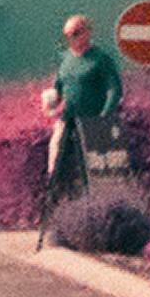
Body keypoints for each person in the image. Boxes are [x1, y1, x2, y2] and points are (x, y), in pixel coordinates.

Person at [41, 13, 123, 214]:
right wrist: (51, 102)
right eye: (67, 35)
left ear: (87, 32)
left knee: (96, 173)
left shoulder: (100, 59)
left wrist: (104, 116)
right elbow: (59, 86)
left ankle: (99, 214)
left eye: (76, 33)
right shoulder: (66, 59)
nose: (71, 38)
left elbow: (114, 89)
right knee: (56, 164)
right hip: (67, 120)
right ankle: (57, 209)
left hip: (92, 122)